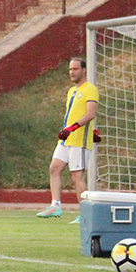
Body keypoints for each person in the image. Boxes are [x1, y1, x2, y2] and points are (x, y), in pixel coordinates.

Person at [37, 58, 99, 218]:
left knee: (76, 176)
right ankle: (55, 206)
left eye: (75, 69)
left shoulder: (90, 89)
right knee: (54, 168)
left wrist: (73, 128)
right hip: (66, 139)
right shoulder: (71, 91)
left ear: (84, 70)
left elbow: (91, 113)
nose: (72, 72)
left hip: (79, 140)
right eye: (70, 69)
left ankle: (85, 214)